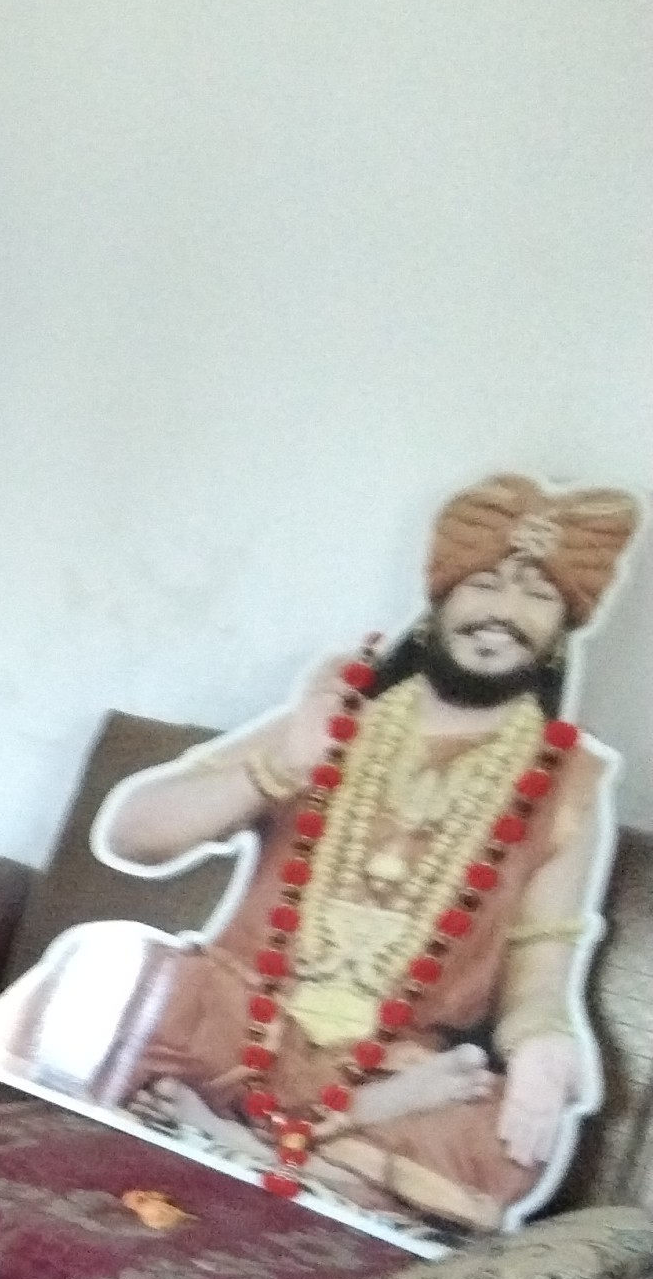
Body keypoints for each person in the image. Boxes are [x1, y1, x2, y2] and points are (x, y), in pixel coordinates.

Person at [78, 474, 638, 1232]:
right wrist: (278, 765)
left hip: (390, 1062)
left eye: (537, 595)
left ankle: (239, 1143)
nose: (504, 612)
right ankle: (302, 1158)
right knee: (120, 975)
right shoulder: (336, 717)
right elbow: (132, 835)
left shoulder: (570, 783)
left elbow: (539, 979)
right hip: (239, 1023)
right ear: (439, 603)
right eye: (484, 584)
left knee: (502, 1133)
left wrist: (545, 1046)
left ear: (562, 628)